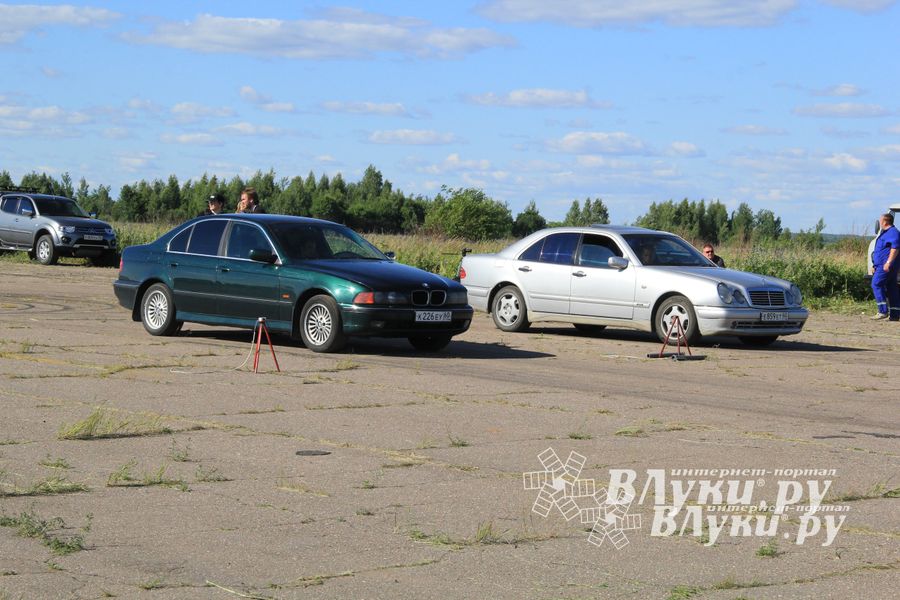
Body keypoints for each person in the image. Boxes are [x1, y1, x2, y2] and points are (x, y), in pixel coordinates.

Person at [871, 212, 900, 321]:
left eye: (880, 220)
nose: (879, 223)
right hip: (881, 266)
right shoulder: (884, 233)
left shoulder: (893, 233)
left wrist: (888, 262)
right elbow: (880, 250)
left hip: (886, 266)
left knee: (876, 284)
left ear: (885, 221)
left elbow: (895, 248)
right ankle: (895, 314)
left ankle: (882, 311)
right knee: (892, 288)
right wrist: (874, 264)